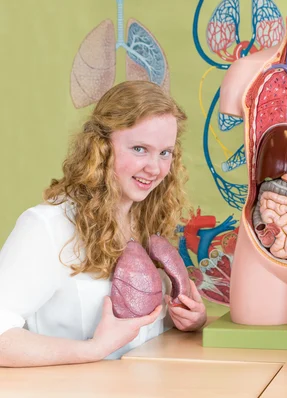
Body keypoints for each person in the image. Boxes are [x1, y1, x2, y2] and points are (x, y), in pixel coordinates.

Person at [0, 80, 207, 367]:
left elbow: (141, 329)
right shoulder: (48, 226)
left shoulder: (147, 221)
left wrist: (187, 318)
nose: (155, 168)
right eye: (138, 148)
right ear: (101, 148)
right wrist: (93, 350)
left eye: (165, 152)